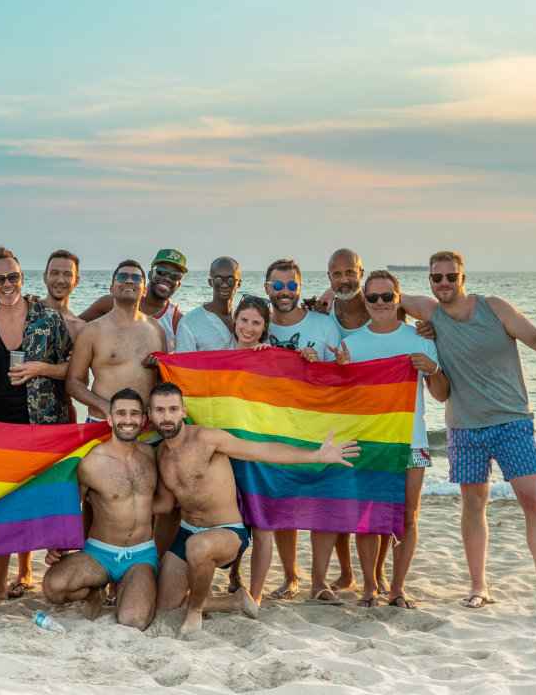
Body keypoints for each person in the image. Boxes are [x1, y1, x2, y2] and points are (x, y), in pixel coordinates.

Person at [399, 250, 536, 628]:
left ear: (463, 277)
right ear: (430, 281)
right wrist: (331, 300)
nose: (444, 283)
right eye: (437, 278)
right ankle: (479, 586)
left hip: (512, 421)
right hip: (464, 427)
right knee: (473, 504)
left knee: (534, 502)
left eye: (451, 276)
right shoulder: (430, 314)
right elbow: (384, 295)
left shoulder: (493, 307)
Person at [150, 382, 359, 636]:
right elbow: (165, 503)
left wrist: (315, 456)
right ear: (150, 415)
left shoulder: (206, 438)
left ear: (183, 411)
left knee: (198, 547)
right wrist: (109, 500)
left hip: (225, 531)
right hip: (187, 531)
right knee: (164, 607)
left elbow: (261, 450)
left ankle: (195, 612)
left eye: (172, 409)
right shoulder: (161, 453)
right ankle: (234, 601)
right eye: (159, 410)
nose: (166, 416)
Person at [0, 246, 75, 600]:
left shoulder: (48, 318)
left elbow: (72, 371)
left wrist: (40, 368)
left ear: (22, 277)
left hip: (42, 425)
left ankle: (26, 573)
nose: (6, 284)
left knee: (31, 503)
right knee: (3, 506)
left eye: (12, 277)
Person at [336, 270, 449, 608]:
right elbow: (340, 400)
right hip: (369, 442)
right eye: (373, 298)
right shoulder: (351, 345)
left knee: (407, 516)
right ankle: (370, 586)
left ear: (398, 299)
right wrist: (339, 372)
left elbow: (442, 395)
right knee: (368, 517)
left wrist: (432, 369)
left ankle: (398, 588)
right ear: (365, 300)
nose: (380, 303)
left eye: (387, 297)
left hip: (410, 440)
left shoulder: (419, 340)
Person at [260, 258, 352, 601]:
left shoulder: (324, 324)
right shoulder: (259, 324)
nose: (285, 292)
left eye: (292, 286)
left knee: (321, 502)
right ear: (267, 288)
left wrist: (330, 366)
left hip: (320, 422)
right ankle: (290, 578)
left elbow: (343, 373)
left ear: (301, 288)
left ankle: (319, 581)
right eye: (278, 286)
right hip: (274, 426)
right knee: (283, 503)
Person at [41, 388, 160, 629]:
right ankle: (93, 593)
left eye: (134, 414)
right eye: (121, 413)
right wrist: (56, 543)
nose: (128, 420)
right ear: (109, 418)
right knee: (53, 587)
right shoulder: (91, 462)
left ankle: (128, 589)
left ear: (144, 419)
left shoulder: (152, 456)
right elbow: (68, 505)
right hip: (99, 553)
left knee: (133, 620)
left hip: (141, 555)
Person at [66, 260, 165, 422]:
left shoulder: (157, 330)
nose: (129, 280)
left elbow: (164, 380)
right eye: (122, 276)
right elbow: (73, 382)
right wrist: (106, 407)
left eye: (136, 278)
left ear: (145, 290)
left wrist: (159, 368)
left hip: (145, 425)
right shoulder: (92, 330)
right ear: (111, 288)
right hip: (102, 423)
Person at [79, 248, 187, 345]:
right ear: (150, 275)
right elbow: (72, 328)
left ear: (179, 285)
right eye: (161, 272)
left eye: (175, 276)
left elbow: (183, 360)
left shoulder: (177, 321)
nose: (167, 279)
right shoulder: (113, 302)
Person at [174, 258, 240, 353]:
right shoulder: (189, 323)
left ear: (239, 283)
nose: (224, 285)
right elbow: (182, 363)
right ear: (210, 282)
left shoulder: (245, 319)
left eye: (231, 279)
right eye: (218, 279)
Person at [39, 249, 87, 339]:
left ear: (76, 281)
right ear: (45, 277)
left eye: (67, 274)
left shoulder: (80, 328)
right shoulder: (27, 311)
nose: (60, 280)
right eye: (54, 273)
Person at [326, 248, 372, 334]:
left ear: (361, 274)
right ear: (329, 277)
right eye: (337, 274)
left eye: (350, 272)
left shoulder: (382, 308)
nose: (344, 280)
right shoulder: (323, 312)